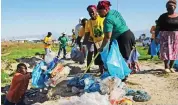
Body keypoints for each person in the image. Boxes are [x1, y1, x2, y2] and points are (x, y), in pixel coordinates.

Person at [156, 0, 178, 73]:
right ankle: (166, 67)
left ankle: (171, 67)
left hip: (175, 36)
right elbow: (158, 27)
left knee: (174, 51)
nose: (169, 8)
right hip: (164, 36)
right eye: (167, 7)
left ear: (175, 7)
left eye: (171, 6)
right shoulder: (163, 16)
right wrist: (156, 36)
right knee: (165, 51)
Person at [83, 5, 105, 75]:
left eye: (92, 11)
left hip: (105, 41)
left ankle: (107, 71)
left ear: (96, 11)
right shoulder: (88, 22)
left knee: (106, 58)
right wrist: (84, 45)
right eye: (89, 12)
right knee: (99, 59)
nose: (91, 13)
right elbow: (86, 34)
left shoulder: (102, 18)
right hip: (96, 43)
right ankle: (102, 73)